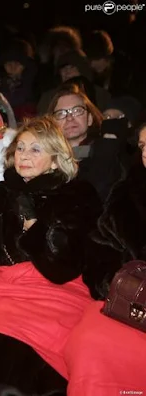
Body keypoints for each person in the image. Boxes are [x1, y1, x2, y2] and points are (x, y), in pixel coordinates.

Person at [0, 116, 102, 395]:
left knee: (12, 355)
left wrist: (35, 229)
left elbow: (64, 268)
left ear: (54, 159)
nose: (24, 155)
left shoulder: (76, 195)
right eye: (21, 148)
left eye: (35, 149)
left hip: (54, 292)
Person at [64, 125, 146, 396]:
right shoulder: (126, 196)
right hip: (133, 305)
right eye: (144, 146)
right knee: (89, 339)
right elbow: (100, 248)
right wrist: (116, 285)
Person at [48, 84, 128, 202]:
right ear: (53, 123)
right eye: (61, 113)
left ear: (89, 119)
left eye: (77, 111)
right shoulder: (44, 159)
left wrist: (107, 147)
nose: (69, 118)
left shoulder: (110, 152)